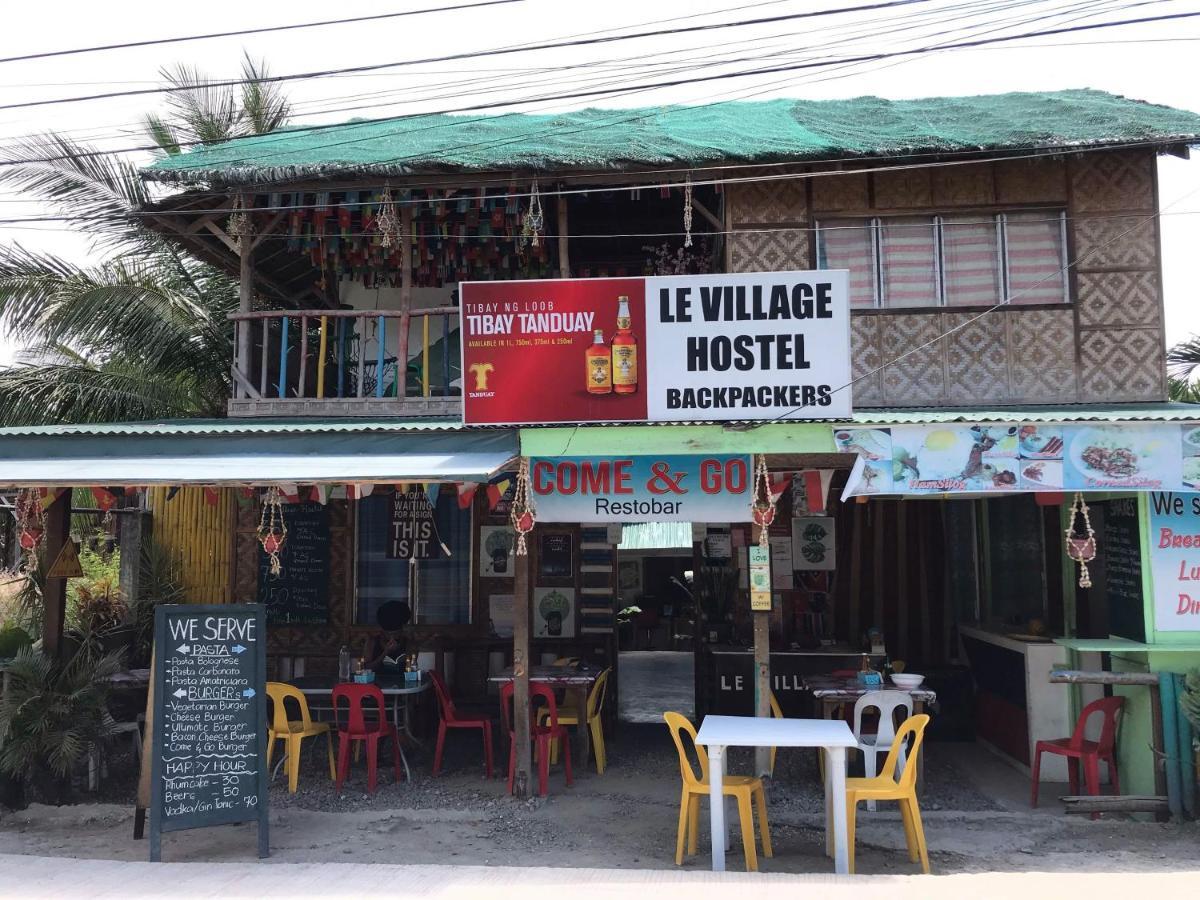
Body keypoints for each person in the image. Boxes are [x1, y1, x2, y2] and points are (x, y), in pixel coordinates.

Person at [362, 600, 411, 673]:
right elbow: (365, 669)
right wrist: (385, 653)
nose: (392, 638)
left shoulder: (409, 642)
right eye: (389, 634)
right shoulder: (372, 641)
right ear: (382, 631)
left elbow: (411, 668)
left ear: (401, 631)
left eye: (395, 634)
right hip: (375, 682)